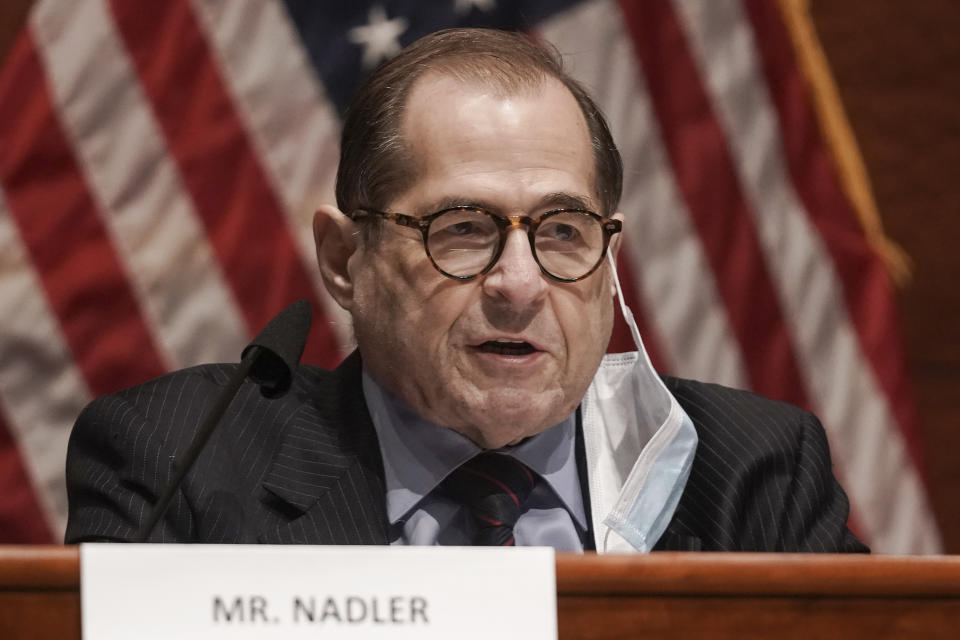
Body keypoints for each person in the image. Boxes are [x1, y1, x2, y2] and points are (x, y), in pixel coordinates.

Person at [65, 28, 866, 553]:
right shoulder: (182, 460)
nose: (519, 285)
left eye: (562, 231)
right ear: (346, 260)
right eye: (462, 229)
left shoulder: (753, 472)